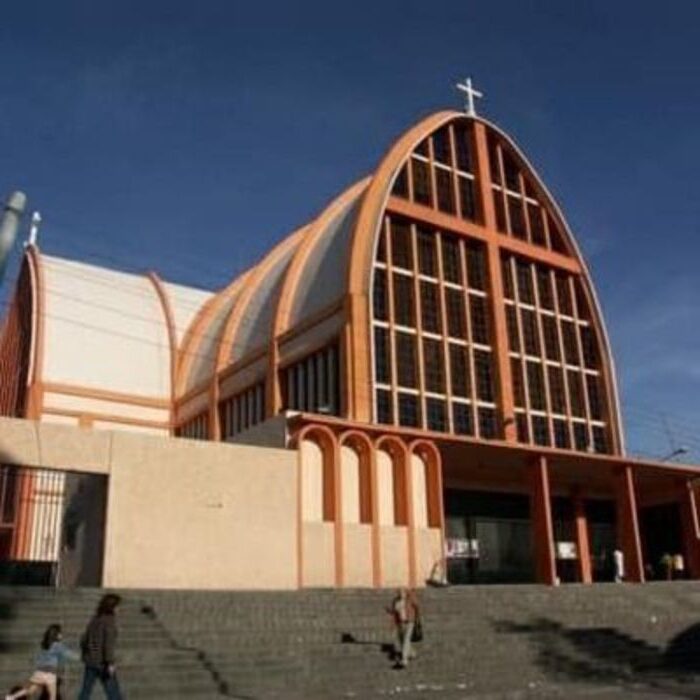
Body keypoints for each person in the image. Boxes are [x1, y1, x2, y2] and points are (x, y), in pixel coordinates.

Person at [5, 624, 79, 700]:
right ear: (56, 635)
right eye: (60, 633)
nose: (61, 635)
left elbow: (38, 659)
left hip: (39, 673)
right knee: (52, 696)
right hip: (50, 674)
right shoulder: (57, 646)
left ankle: (11, 697)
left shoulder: (44, 645)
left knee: (29, 690)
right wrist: (81, 657)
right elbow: (68, 654)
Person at [77, 593, 123, 700]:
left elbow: (84, 639)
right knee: (114, 693)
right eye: (118, 606)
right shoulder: (109, 621)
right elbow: (108, 644)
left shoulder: (95, 619)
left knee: (85, 691)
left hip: (90, 661)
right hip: (103, 663)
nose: (119, 609)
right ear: (112, 606)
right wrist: (110, 662)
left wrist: (87, 653)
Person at [387, 588, 420, 669]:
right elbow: (394, 612)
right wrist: (389, 611)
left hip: (409, 622)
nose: (401, 593)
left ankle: (404, 660)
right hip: (400, 623)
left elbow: (417, 606)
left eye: (403, 592)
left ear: (405, 592)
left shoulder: (410, 599)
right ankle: (412, 653)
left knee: (406, 639)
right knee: (402, 641)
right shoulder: (396, 601)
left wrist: (416, 617)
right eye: (399, 592)